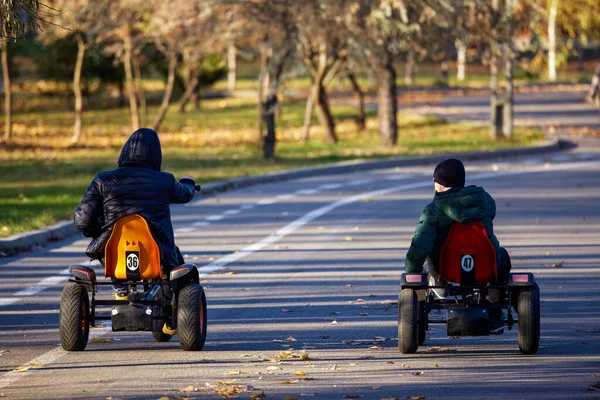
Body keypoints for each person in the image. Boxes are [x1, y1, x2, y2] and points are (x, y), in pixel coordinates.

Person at [73, 128, 198, 297]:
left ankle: (120, 289)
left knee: (107, 245)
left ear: (124, 151)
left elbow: (82, 220)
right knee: (179, 271)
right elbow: (185, 194)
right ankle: (171, 314)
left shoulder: (103, 180)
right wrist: (188, 182)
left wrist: (99, 232)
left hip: (114, 250)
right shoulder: (164, 180)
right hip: (157, 249)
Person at [404, 158, 511, 328]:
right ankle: (494, 304)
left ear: (438, 184)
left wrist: (412, 272)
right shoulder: (483, 203)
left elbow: (420, 245)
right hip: (485, 267)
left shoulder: (432, 211)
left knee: (432, 252)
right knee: (503, 256)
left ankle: (440, 286)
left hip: (446, 270)